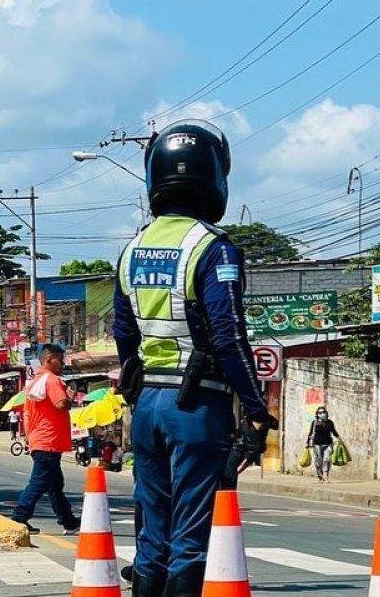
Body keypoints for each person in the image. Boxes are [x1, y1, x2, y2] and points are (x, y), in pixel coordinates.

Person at [113, 119, 277, 597]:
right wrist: (255, 407)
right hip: (197, 406)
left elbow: (125, 335)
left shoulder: (132, 250)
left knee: (152, 535)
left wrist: (134, 395)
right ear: (214, 177)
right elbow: (228, 335)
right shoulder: (211, 246)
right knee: (190, 539)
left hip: (148, 407)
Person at [11, 344, 80, 535]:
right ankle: (19, 517)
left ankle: (69, 522)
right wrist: (70, 396)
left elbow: (27, 414)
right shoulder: (52, 380)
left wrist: (28, 437)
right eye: (60, 359)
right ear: (49, 359)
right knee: (40, 483)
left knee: (55, 485)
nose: (63, 363)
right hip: (49, 440)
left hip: (39, 439)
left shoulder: (34, 382)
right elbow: (60, 404)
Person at [306, 407, 340, 483]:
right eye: (320, 413)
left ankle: (326, 476)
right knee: (318, 462)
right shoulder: (315, 422)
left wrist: (339, 438)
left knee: (326, 460)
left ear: (326, 413)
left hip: (328, 444)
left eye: (323, 412)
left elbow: (334, 431)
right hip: (317, 444)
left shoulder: (330, 422)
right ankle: (320, 476)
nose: (322, 414)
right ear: (317, 414)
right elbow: (311, 433)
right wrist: (307, 442)